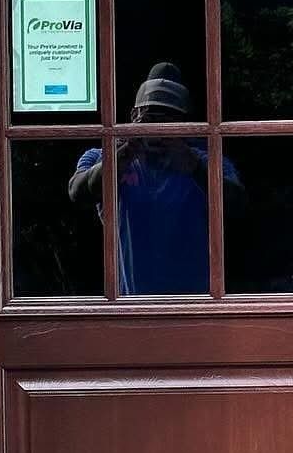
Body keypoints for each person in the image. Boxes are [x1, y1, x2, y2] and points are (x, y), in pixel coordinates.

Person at [68, 63, 243, 295]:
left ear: (184, 126)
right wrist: (119, 158)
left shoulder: (204, 160)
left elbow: (239, 204)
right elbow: (77, 193)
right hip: (128, 304)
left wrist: (194, 167)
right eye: (151, 119)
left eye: (168, 122)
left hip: (195, 304)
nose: (158, 131)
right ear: (134, 117)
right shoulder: (103, 156)